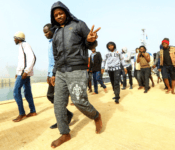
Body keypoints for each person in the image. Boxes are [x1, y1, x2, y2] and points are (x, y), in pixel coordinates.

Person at [50, 1, 102, 148]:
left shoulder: (78, 24)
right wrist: (54, 73)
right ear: (53, 17)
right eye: (56, 15)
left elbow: (90, 43)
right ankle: (65, 133)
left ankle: (96, 116)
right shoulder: (56, 33)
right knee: (58, 104)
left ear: (66, 12)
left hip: (77, 69)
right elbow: (56, 55)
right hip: (60, 71)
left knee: (78, 100)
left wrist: (91, 40)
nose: (59, 16)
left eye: (61, 13)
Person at [43, 23, 73, 129]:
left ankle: (63, 119)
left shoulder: (57, 40)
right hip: (53, 73)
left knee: (56, 98)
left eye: (46, 32)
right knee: (51, 96)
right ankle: (66, 115)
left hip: (59, 73)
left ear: (53, 29)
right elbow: (51, 60)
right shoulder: (50, 42)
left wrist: (54, 74)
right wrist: (48, 74)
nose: (45, 34)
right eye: (44, 33)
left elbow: (59, 58)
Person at [13, 31, 37, 122]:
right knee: (27, 92)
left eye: (14, 38)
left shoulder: (25, 45)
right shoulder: (21, 46)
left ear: (18, 38)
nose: (14, 40)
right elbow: (22, 61)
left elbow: (32, 58)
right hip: (23, 72)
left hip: (24, 73)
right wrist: (17, 72)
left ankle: (22, 113)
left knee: (16, 92)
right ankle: (33, 111)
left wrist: (26, 71)